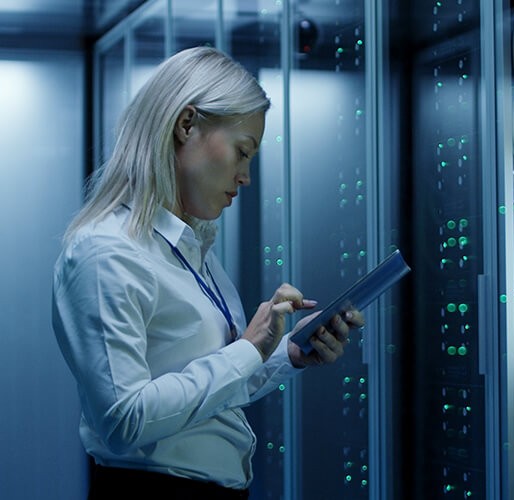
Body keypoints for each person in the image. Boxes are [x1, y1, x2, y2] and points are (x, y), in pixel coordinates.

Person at [51, 46, 364, 499]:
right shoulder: (106, 253)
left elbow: (209, 395)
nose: (246, 177)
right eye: (242, 152)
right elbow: (123, 421)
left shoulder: (191, 248)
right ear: (186, 125)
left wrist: (286, 353)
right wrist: (249, 350)